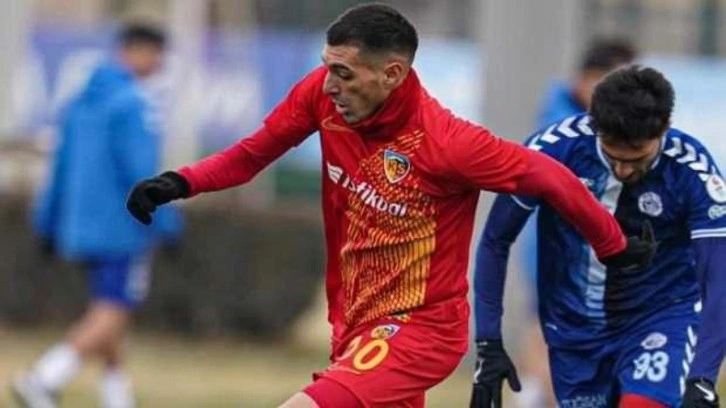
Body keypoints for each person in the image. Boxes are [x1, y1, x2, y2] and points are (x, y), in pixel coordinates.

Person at [127, 4, 653, 408]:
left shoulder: (447, 142)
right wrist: (180, 182)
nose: (329, 84)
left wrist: (612, 244)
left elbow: (550, 177)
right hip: (354, 319)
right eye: (327, 67)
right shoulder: (321, 96)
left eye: (344, 73)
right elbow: (252, 154)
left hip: (421, 330)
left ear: (393, 74)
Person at [470, 65, 726, 408]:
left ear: (664, 128)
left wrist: (703, 377)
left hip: (659, 317)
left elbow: (718, 277)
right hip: (573, 328)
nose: (623, 170)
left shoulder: (693, 171)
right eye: (612, 155)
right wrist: (488, 341)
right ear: (594, 124)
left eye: (636, 158)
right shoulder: (552, 151)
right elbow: (495, 240)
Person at [13, 23, 182, 408]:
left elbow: (59, 170)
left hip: (80, 228)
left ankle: (117, 396)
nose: (159, 64)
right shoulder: (135, 104)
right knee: (113, 311)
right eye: (158, 55)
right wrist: (169, 224)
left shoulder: (78, 103)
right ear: (141, 51)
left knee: (108, 308)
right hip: (124, 228)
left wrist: (47, 223)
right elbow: (143, 175)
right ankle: (44, 377)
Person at [515, 37, 639, 408]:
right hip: (559, 248)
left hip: (586, 251)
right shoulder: (564, 127)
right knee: (553, 332)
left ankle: (534, 394)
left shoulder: (578, 117)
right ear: (590, 80)